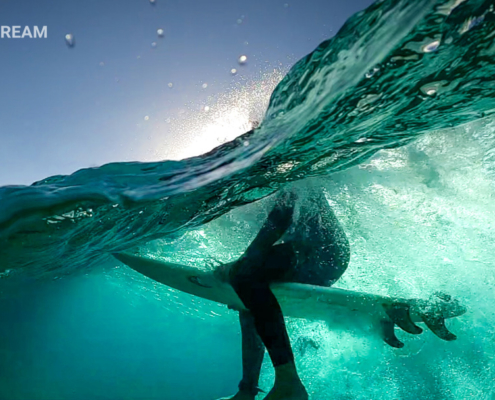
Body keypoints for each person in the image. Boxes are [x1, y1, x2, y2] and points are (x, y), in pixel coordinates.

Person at [216, 184, 350, 400]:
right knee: (248, 299)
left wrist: (240, 265)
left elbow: (282, 216)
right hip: (314, 255)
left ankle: (289, 383)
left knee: (245, 276)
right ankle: (246, 391)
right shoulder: (267, 177)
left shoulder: (293, 171)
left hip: (323, 253)